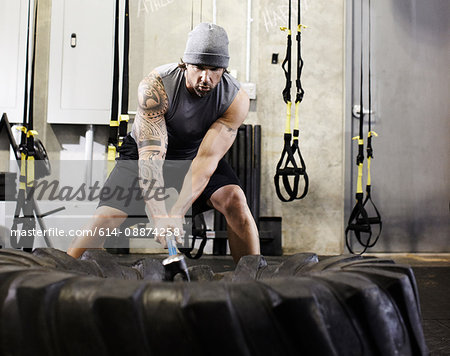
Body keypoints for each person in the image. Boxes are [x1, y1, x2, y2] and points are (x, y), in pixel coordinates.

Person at [67, 23, 260, 263]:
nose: (205, 78)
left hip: (194, 153)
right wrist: (160, 217)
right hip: (144, 153)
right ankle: (63, 274)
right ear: (185, 63)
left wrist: (177, 213)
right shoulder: (157, 87)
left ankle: (252, 279)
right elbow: (151, 158)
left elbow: (207, 160)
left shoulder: (235, 98)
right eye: (198, 67)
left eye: (214, 70)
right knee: (106, 217)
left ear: (224, 69)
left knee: (235, 199)